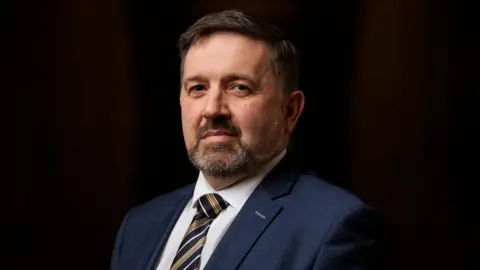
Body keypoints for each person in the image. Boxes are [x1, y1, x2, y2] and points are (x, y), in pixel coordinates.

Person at [111, 9, 384, 270]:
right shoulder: (138, 226)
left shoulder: (333, 227)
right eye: (197, 88)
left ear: (289, 111)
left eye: (239, 87)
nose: (212, 109)